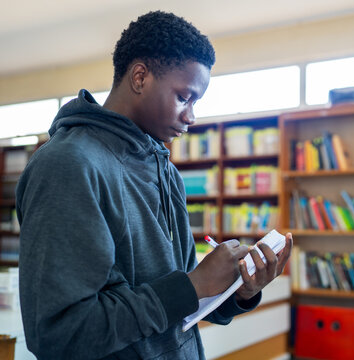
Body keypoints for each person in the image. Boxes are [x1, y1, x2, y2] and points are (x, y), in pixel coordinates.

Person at [16, 11, 292, 360]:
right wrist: (192, 285)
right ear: (140, 77)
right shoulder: (68, 166)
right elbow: (60, 335)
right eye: (183, 97)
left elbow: (182, 306)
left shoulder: (164, 169)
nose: (191, 116)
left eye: (196, 103)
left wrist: (238, 290)